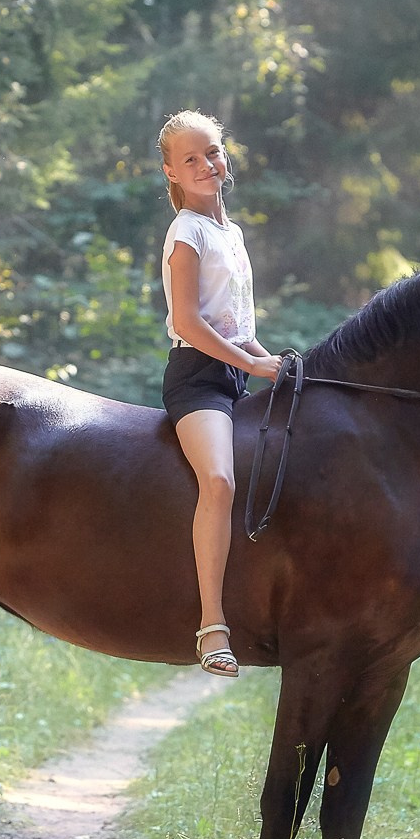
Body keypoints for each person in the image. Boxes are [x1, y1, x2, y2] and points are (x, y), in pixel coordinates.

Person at [155, 110, 281, 677]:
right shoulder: (186, 232)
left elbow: (238, 326)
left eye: (212, 152)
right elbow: (189, 322)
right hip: (198, 377)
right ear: (171, 172)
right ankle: (212, 627)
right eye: (191, 159)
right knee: (220, 480)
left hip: (234, 370)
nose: (206, 164)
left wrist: (271, 363)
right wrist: (250, 365)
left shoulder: (232, 233)